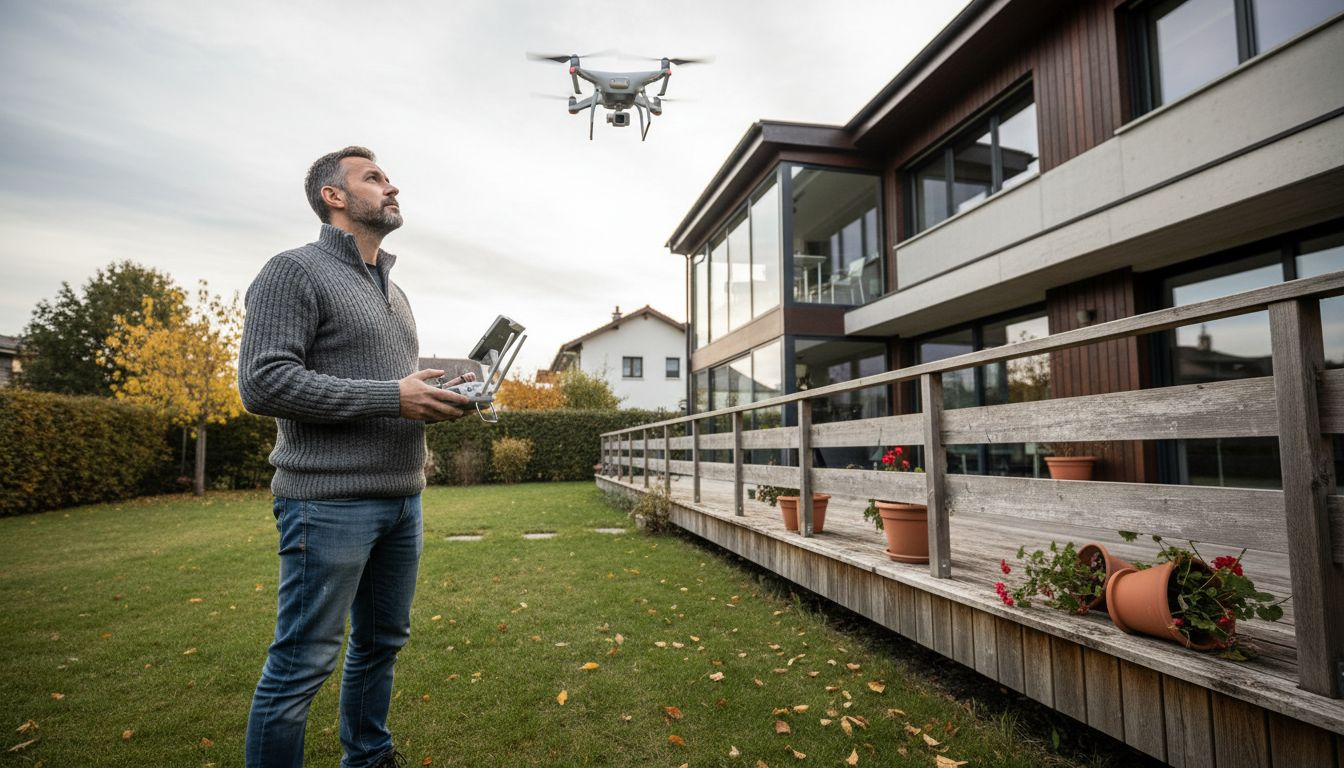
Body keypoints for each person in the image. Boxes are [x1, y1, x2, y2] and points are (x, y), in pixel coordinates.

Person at [238, 146, 473, 768]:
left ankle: (368, 757)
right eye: (374, 178)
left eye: (389, 177)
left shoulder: (394, 293)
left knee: (381, 644)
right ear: (333, 197)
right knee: (301, 663)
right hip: (327, 504)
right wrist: (393, 395)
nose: (391, 187)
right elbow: (263, 382)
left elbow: (390, 398)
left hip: (402, 499)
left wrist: (433, 400)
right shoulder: (293, 271)